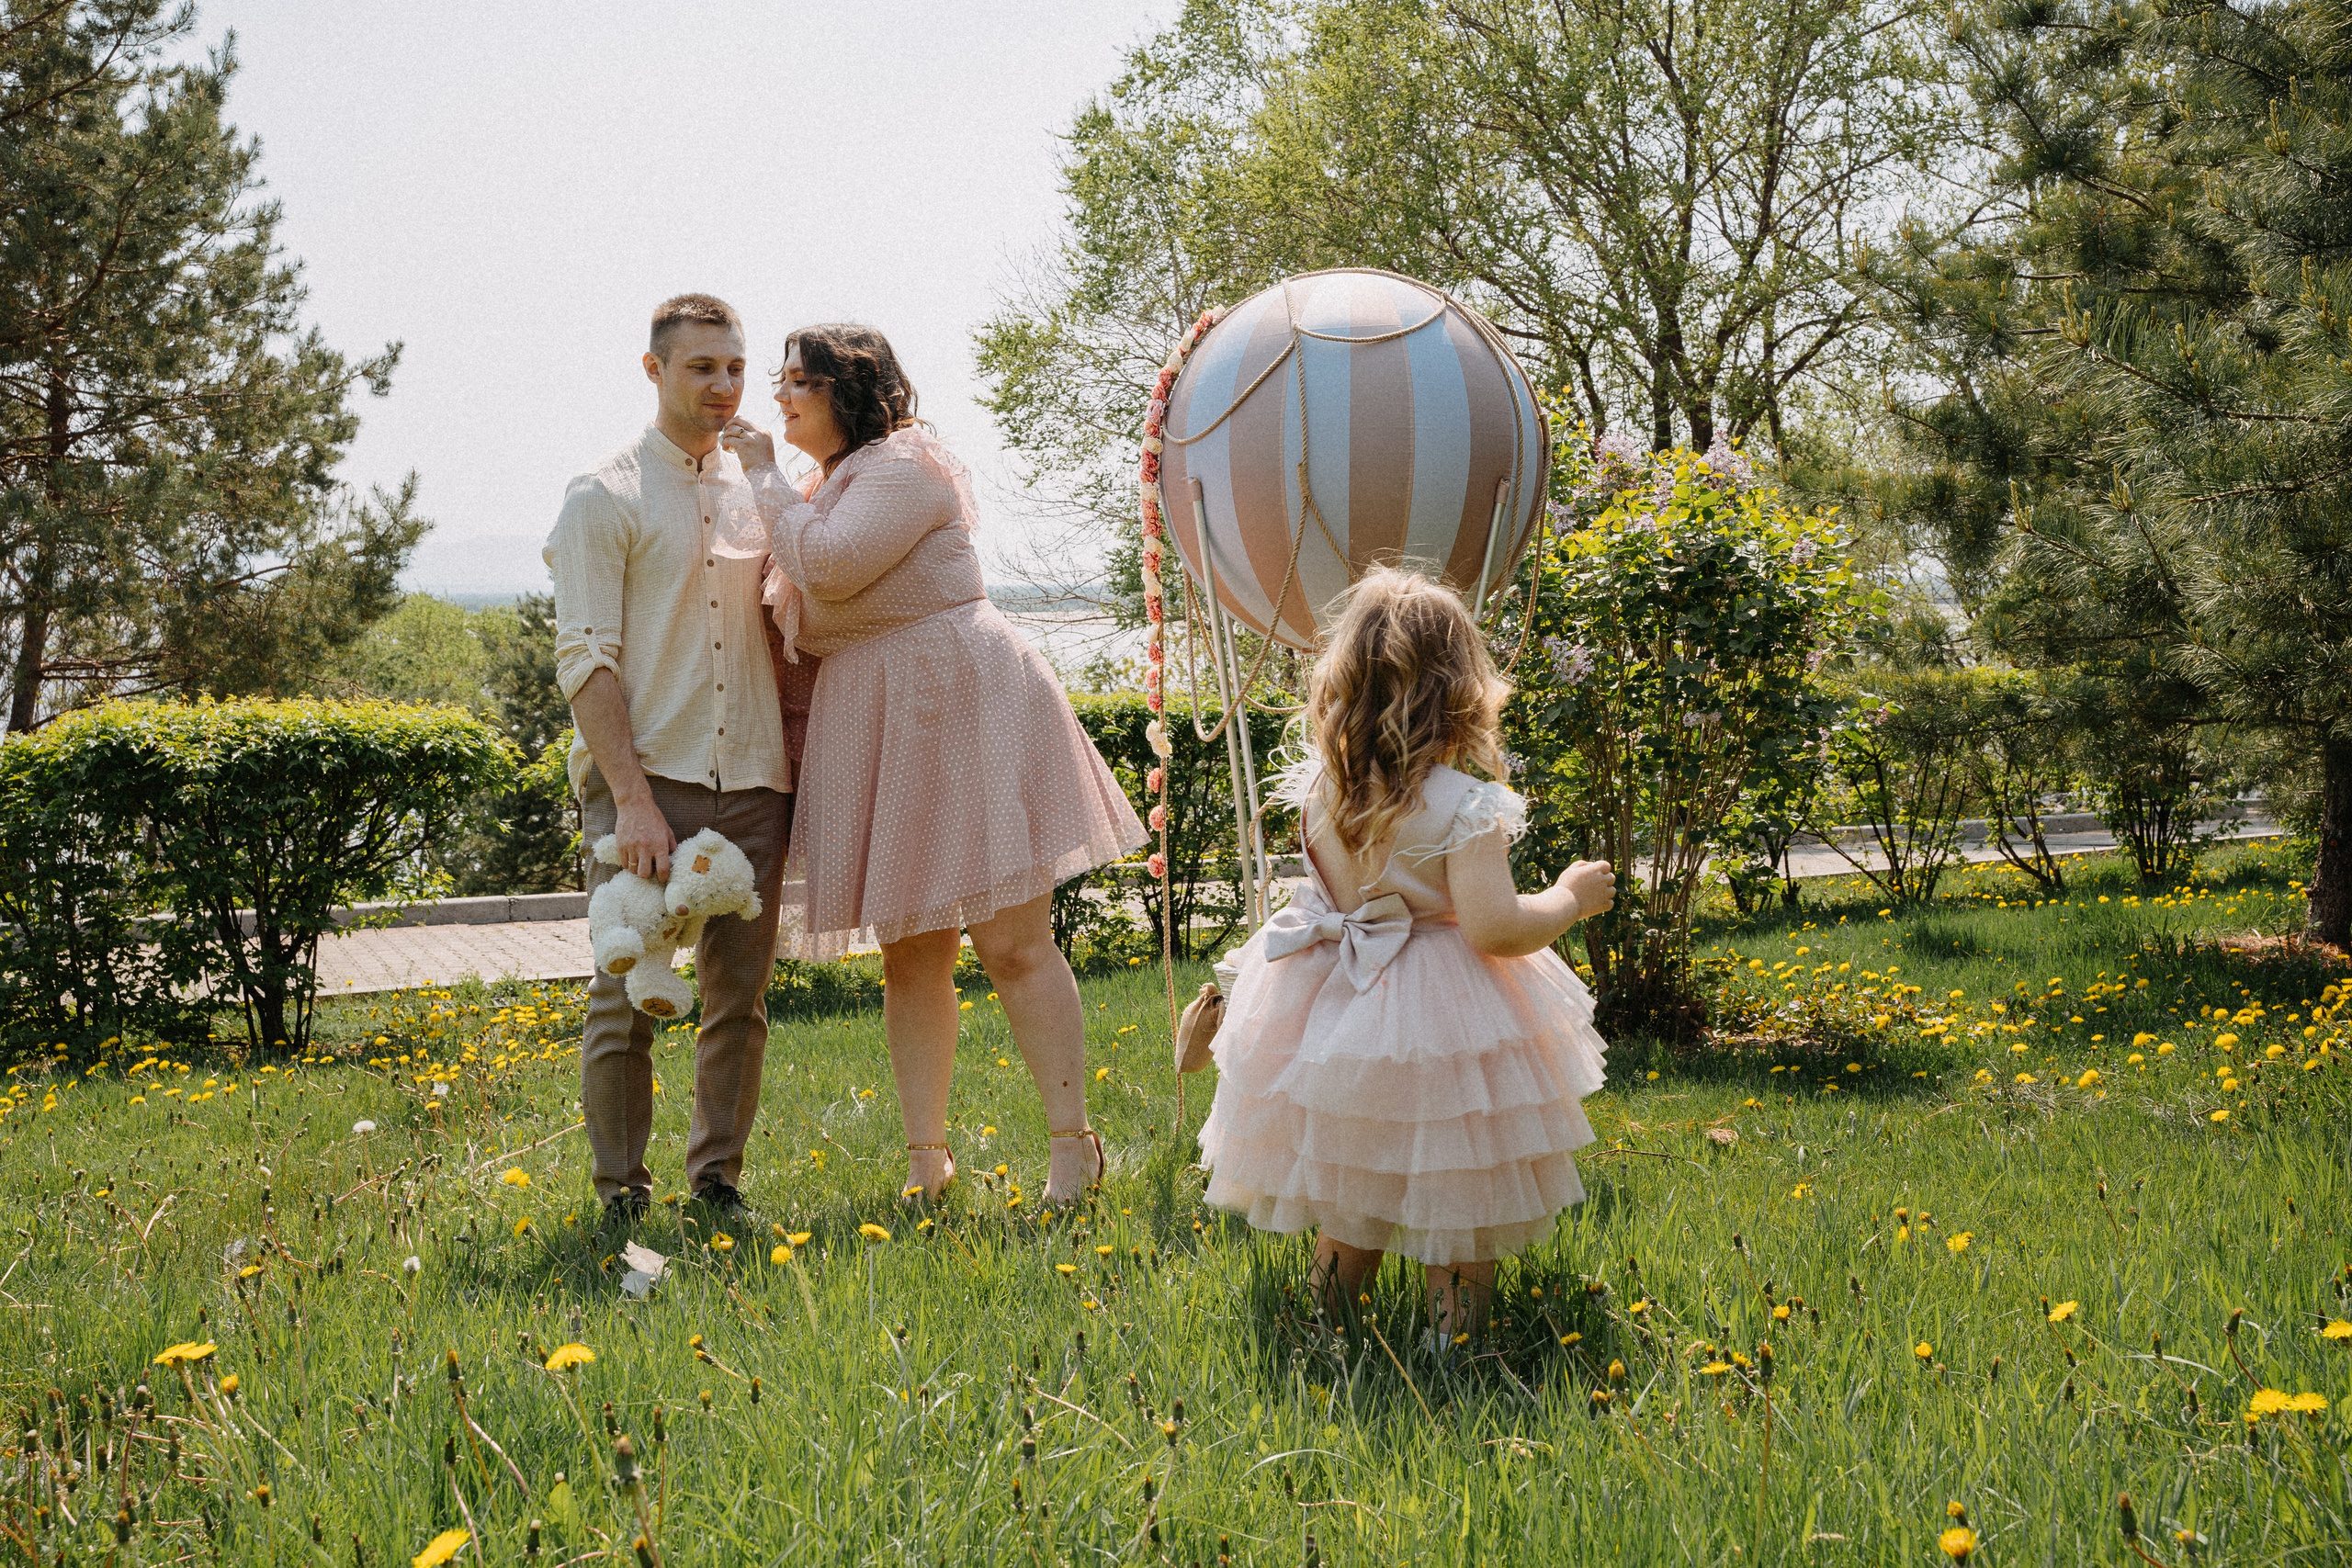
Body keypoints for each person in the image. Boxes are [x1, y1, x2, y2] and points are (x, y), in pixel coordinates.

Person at [722, 323, 1146, 1206]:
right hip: (883, 722)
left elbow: (829, 570)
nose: (781, 396)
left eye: (800, 380)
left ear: (851, 389)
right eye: (782, 380)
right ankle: (928, 1161)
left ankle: (1074, 1148)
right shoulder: (822, 487)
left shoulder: (906, 466)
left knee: (1013, 944)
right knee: (912, 955)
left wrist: (760, 472)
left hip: (964, 702)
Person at [1194, 567, 1617, 1348]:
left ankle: (1323, 1319)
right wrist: (1568, 897)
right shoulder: (1465, 804)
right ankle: (1451, 1347)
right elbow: (1493, 928)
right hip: (1445, 1012)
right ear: (1462, 688)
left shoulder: (1327, 791)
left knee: (1359, 1177)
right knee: (1460, 1185)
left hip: (1346, 1002)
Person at [546, 293, 792, 1228]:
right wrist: (632, 800)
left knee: (739, 1001)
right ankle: (620, 1197)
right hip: (649, 781)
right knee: (625, 992)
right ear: (653, 371)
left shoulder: (760, 489)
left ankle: (718, 1187)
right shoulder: (601, 495)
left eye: (734, 367)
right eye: (701, 368)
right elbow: (585, 660)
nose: (723, 386)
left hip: (757, 780)